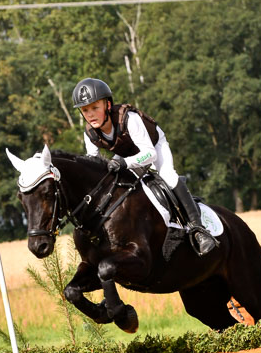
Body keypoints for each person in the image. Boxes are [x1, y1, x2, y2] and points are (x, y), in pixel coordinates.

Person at [72, 77, 216, 256]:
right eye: (85, 110)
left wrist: (124, 163)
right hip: (126, 153)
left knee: (168, 176)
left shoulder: (129, 119)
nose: (91, 114)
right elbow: (92, 162)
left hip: (153, 146)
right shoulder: (89, 132)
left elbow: (150, 154)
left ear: (108, 106)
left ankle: (199, 230)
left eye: (95, 107)